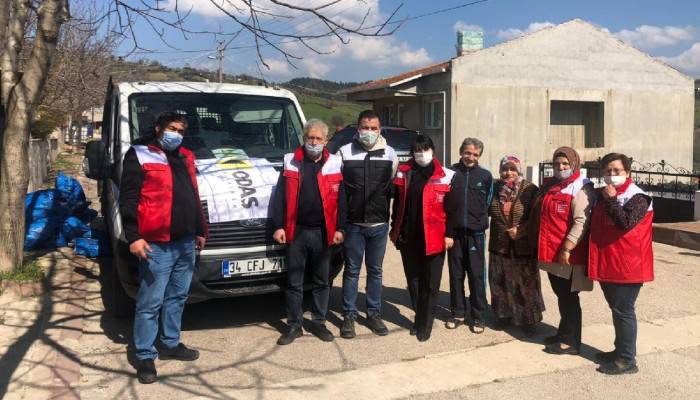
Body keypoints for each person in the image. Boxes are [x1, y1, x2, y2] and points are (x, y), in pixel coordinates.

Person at [120, 111, 208, 384]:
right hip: (156, 244)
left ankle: (170, 343)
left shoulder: (186, 156)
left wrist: (200, 230)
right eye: (172, 128)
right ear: (158, 127)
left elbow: (193, 194)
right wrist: (133, 236)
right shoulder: (140, 155)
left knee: (178, 297)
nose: (176, 134)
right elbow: (128, 198)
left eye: (181, 131)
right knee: (150, 302)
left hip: (185, 242)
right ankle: (145, 354)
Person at [271, 119, 346, 345]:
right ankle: (294, 325)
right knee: (294, 281)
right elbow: (279, 198)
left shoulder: (334, 163)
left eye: (318, 138)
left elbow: (342, 199)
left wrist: (340, 228)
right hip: (297, 231)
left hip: (323, 232)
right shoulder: (291, 161)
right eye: (309, 138)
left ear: (325, 141)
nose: (313, 142)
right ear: (304, 139)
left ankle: (319, 322)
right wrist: (278, 225)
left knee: (322, 281)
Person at [589, 153, 654, 375]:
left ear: (627, 172)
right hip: (611, 263)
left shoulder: (638, 197)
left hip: (628, 267)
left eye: (617, 170)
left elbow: (625, 222)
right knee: (617, 310)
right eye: (607, 171)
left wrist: (611, 199)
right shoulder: (608, 194)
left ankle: (627, 360)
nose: (612, 174)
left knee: (624, 311)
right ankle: (620, 350)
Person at [337, 110, 398, 339]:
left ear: (380, 130)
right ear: (358, 129)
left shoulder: (390, 154)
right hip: (353, 224)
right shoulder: (344, 153)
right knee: (352, 271)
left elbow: (390, 184)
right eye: (365, 127)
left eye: (374, 128)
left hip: (378, 225)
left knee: (375, 271)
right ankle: (349, 316)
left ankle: (373, 313)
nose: (369, 132)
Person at [390, 135, 456, 341]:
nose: (421, 153)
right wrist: (395, 230)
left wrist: (450, 235)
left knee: (431, 283)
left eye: (425, 149)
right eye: (417, 150)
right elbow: (398, 204)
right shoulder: (404, 172)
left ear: (433, 151)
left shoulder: (446, 175)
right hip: (408, 236)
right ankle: (419, 318)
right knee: (414, 281)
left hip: (434, 238)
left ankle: (425, 326)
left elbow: (452, 210)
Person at [534, 146, 594, 356]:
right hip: (552, 251)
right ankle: (563, 333)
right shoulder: (553, 186)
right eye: (557, 164)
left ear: (574, 164)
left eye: (565, 164)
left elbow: (581, 222)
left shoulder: (580, 187)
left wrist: (567, 247)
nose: (561, 167)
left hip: (566, 254)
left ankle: (571, 342)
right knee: (561, 295)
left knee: (569, 297)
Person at [488, 156, 544, 337]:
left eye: (512, 168)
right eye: (505, 169)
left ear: (518, 169)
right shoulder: (495, 188)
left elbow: (538, 216)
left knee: (525, 284)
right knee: (500, 281)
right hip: (500, 245)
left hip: (523, 246)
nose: (509, 173)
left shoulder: (530, 189)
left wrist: (522, 229)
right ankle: (503, 315)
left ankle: (528, 319)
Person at [446, 138, 493, 334]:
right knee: (456, 275)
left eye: (475, 154)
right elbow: (443, 205)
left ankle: (478, 316)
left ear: (479, 156)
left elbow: (489, 204)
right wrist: (447, 233)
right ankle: (457, 313)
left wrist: (479, 222)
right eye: (467, 153)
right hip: (454, 235)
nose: (470, 157)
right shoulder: (449, 173)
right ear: (461, 152)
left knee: (476, 276)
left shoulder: (485, 176)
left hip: (476, 235)